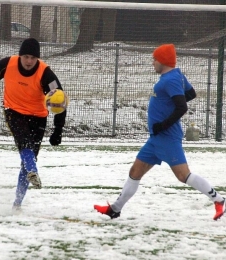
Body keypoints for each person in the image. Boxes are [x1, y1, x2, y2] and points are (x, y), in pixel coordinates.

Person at [94, 43, 225, 221]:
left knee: (183, 175)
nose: (153, 63)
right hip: (156, 139)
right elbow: (191, 94)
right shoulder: (176, 75)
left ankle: (219, 200)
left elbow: (182, 107)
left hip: (167, 138)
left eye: (154, 59)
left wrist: (163, 124)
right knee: (135, 171)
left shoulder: (170, 80)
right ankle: (115, 209)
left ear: (162, 61)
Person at [0, 38, 66, 213]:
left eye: (33, 58)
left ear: (38, 59)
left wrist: (58, 130)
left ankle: (17, 204)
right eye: (26, 56)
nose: (29, 61)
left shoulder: (46, 73)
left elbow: (60, 100)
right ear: (20, 56)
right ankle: (33, 169)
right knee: (24, 144)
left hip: (38, 117)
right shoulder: (7, 64)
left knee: (26, 162)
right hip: (14, 111)